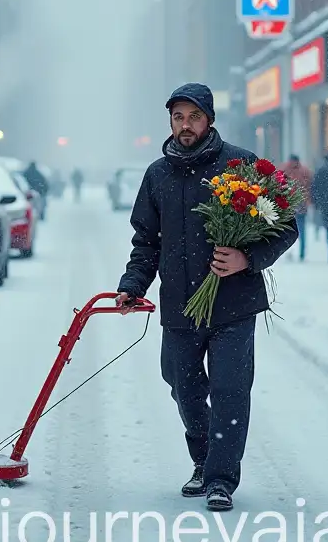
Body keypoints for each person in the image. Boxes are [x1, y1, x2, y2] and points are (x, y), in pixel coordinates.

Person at [114, 83, 297, 513]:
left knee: (231, 389)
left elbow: (285, 227)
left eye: (194, 117)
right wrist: (132, 285)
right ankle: (203, 459)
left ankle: (220, 478)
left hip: (234, 303)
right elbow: (146, 242)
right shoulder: (157, 174)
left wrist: (247, 258)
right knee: (184, 388)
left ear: (209, 119)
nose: (186, 125)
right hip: (180, 304)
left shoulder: (241, 165)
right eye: (178, 117)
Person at [282, 154, 313, 260]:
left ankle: (300, 252)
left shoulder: (285, 170)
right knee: (299, 229)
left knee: (298, 229)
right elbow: (309, 187)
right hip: (294, 204)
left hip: (294, 204)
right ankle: (299, 252)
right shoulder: (304, 171)